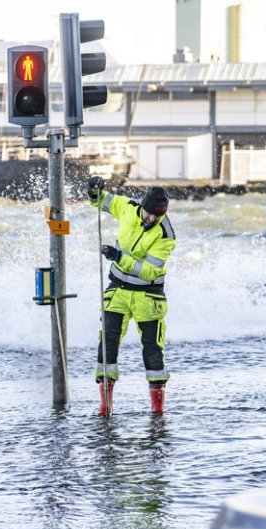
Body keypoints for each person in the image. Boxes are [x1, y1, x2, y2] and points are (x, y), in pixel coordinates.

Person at [87, 176, 176, 416]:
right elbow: (102, 202)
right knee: (107, 343)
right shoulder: (127, 208)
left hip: (148, 297)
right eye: (149, 213)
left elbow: (149, 271)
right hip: (117, 290)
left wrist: (119, 257)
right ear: (142, 206)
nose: (151, 219)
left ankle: (157, 411)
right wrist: (94, 190)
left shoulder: (166, 236)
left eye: (157, 216)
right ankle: (105, 407)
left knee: (152, 350)